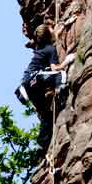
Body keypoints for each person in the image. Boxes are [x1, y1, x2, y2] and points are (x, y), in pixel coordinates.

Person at [16, 23, 75, 152]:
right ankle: (61, 91)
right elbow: (55, 68)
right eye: (50, 28)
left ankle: (42, 144)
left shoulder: (40, 48)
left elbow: (53, 36)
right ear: (48, 35)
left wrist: (63, 26)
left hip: (26, 88)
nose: (52, 28)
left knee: (47, 116)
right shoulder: (50, 49)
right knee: (60, 74)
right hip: (36, 80)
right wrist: (68, 60)